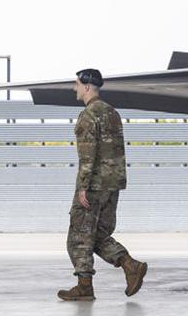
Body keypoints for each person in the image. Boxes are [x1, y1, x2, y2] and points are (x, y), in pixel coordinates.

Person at [57, 68, 147, 302]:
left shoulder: (88, 116)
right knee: (96, 235)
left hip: (94, 184)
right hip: (112, 183)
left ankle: (87, 285)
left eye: (76, 84)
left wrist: (83, 186)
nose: (74, 88)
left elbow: (88, 155)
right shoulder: (112, 113)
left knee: (78, 236)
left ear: (87, 87)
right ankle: (129, 265)